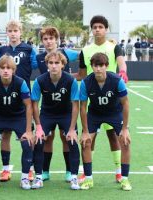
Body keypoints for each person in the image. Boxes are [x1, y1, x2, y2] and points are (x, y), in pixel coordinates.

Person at [73, 15, 128, 184]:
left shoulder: (114, 47)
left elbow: (121, 63)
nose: (97, 29)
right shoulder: (86, 50)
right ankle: (86, 173)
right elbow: (82, 74)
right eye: (94, 27)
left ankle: (119, 172)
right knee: (90, 137)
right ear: (92, 30)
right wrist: (65, 76)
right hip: (93, 97)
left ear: (106, 29)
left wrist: (123, 71)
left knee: (114, 135)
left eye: (101, 26)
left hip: (112, 97)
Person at [79, 52, 131, 191]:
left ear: (106, 66)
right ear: (92, 66)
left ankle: (124, 179)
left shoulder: (116, 80)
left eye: (101, 65)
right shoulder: (86, 82)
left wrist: (125, 129)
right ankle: (88, 179)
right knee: (86, 142)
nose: (98, 69)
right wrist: (84, 131)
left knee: (125, 141)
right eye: (95, 65)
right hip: (95, 114)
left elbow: (125, 104)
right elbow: (82, 107)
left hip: (114, 113)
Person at [0, 55, 33, 189]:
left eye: (9, 68)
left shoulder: (20, 82)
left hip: (18, 117)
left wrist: (28, 131)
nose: (5, 71)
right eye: (2, 68)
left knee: (27, 143)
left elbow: (28, 105)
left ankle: (25, 178)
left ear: (13, 70)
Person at [31, 51, 80, 190]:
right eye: (51, 63)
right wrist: (38, 126)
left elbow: (75, 105)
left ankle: (74, 176)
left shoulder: (71, 80)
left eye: (57, 63)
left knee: (72, 140)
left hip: (66, 114)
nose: (53, 66)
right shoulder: (40, 80)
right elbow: (34, 104)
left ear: (63, 65)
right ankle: (39, 176)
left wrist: (71, 129)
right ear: (46, 65)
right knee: (39, 140)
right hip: (47, 114)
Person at [0, 20, 38, 182]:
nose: (13, 33)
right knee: (5, 133)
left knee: (27, 134)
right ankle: (6, 169)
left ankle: (29, 169)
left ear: (21, 32)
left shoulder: (29, 49)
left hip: (23, 96)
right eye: (10, 31)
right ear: (6, 33)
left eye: (16, 30)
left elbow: (38, 65)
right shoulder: (2, 49)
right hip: (6, 95)